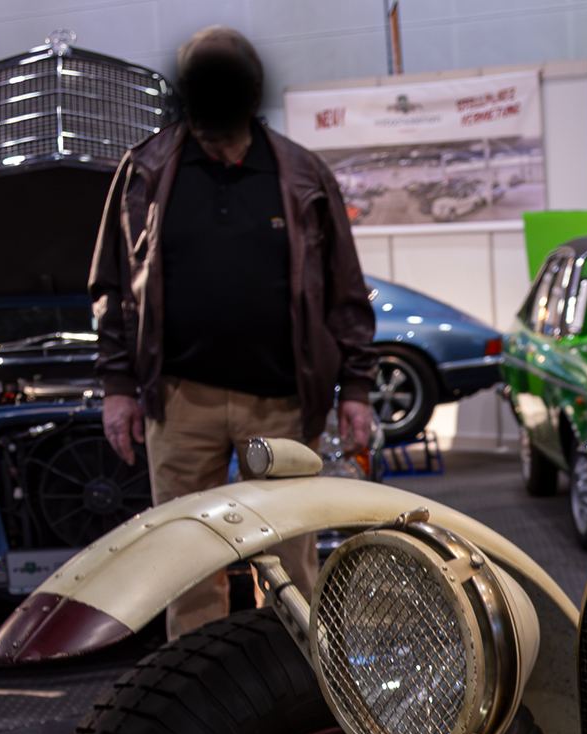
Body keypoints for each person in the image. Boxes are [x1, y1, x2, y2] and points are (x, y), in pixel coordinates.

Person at [91, 27, 376, 635]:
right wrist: (118, 386)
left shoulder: (301, 174)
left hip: (280, 404)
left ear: (252, 92)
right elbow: (112, 288)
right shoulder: (144, 171)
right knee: (186, 563)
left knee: (289, 562)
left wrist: (355, 387)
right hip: (178, 401)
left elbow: (345, 289)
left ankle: (290, 692)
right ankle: (200, 710)